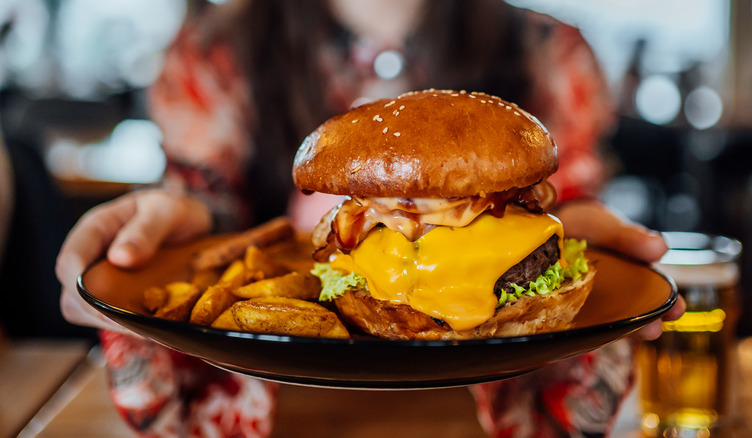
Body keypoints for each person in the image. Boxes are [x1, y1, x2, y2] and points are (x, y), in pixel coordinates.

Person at [56, 0, 685, 436]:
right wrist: (176, 215)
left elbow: (564, 197)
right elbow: (213, 196)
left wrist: (586, 230)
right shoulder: (215, 52)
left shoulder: (550, 51)